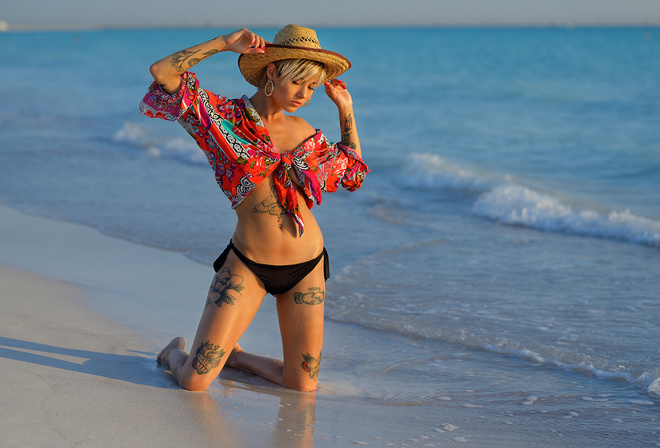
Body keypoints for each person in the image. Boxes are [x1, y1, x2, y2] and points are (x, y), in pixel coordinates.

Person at [140, 25, 368, 392]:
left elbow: (352, 173)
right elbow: (163, 73)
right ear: (273, 72)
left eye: (312, 88)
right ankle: (171, 355)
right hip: (248, 263)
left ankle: (237, 357)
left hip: (306, 265)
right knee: (194, 382)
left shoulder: (306, 132)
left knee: (302, 387)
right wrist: (225, 44)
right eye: (298, 83)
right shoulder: (221, 118)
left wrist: (346, 110)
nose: (304, 96)